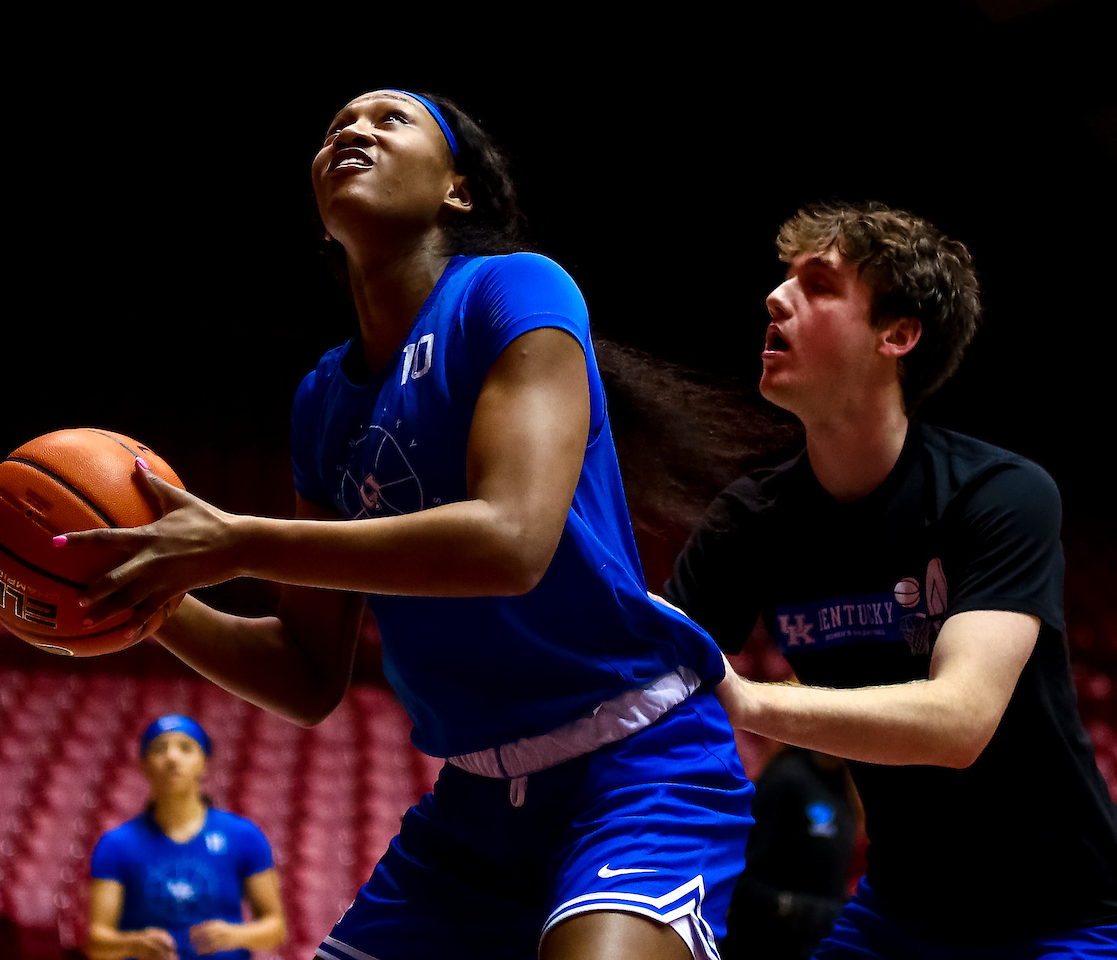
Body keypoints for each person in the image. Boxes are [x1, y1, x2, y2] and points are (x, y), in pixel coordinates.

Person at [58, 89, 753, 960]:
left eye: (391, 120)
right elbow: (309, 673)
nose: (353, 129)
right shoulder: (323, 401)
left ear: (455, 190)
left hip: (635, 765)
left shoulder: (514, 288)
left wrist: (236, 541)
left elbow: (512, 541)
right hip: (472, 814)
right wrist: (146, 598)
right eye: (336, 127)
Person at [665, 202, 1117, 957]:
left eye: (818, 284)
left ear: (897, 335)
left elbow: (959, 722)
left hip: (1065, 917)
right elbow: (648, 675)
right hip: (903, 912)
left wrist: (744, 699)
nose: (776, 299)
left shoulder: (999, 494)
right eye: (783, 282)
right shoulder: (751, 520)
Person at [87, 715, 286, 960]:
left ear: (204, 763)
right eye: (160, 748)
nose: (172, 758)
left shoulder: (244, 836)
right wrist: (133, 943)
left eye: (185, 748)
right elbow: (96, 941)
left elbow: (275, 927)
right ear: (144, 765)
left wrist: (236, 935)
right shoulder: (116, 844)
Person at [720, 746, 858, 960]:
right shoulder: (786, 778)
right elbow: (741, 879)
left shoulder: (845, 789)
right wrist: (798, 908)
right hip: (765, 943)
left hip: (815, 945)